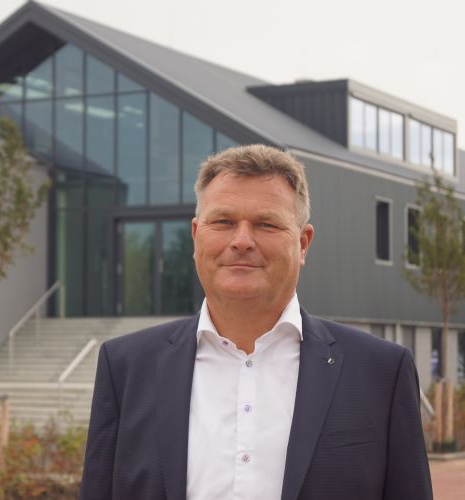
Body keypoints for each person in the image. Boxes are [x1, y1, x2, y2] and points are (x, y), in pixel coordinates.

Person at [80, 144, 432, 500]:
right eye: (223, 222)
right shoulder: (125, 367)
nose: (242, 241)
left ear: (303, 243)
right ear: (196, 235)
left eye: (266, 224)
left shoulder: (381, 372)